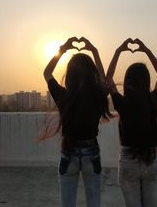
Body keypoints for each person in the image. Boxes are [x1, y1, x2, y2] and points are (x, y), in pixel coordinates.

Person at [106, 38, 157, 207]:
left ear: (128, 81)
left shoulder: (122, 103)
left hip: (128, 162)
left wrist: (119, 51)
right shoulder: (152, 100)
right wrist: (146, 50)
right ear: (146, 82)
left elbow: (109, 78)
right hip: (152, 160)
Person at [42, 36, 110, 207]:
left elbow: (47, 73)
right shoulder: (97, 95)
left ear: (70, 73)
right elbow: (105, 81)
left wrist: (62, 49)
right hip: (91, 152)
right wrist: (94, 51)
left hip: (68, 153)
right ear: (91, 73)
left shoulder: (64, 96)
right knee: (94, 202)